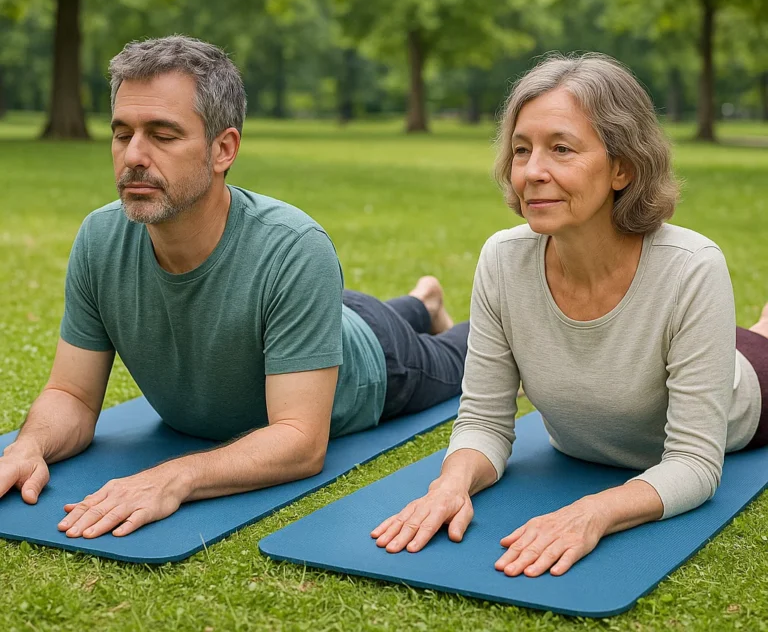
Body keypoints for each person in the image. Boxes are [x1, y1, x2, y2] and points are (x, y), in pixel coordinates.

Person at [0, 35, 469, 540]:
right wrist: (28, 446)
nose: (133, 155)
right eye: (122, 133)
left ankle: (428, 311)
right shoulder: (100, 238)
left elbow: (299, 440)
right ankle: (423, 300)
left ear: (223, 148)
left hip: (376, 356)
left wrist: (175, 478)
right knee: (370, 306)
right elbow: (71, 393)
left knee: (465, 355)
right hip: (298, 317)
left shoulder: (294, 247)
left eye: (162, 134)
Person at [372, 53, 767, 578]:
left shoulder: (693, 268)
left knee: (758, 340)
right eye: (521, 150)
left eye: (561, 148)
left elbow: (695, 464)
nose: (532, 172)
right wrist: (450, 484)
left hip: (752, 387)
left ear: (622, 167)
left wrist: (593, 513)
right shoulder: (503, 259)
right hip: (671, 353)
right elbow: (485, 421)